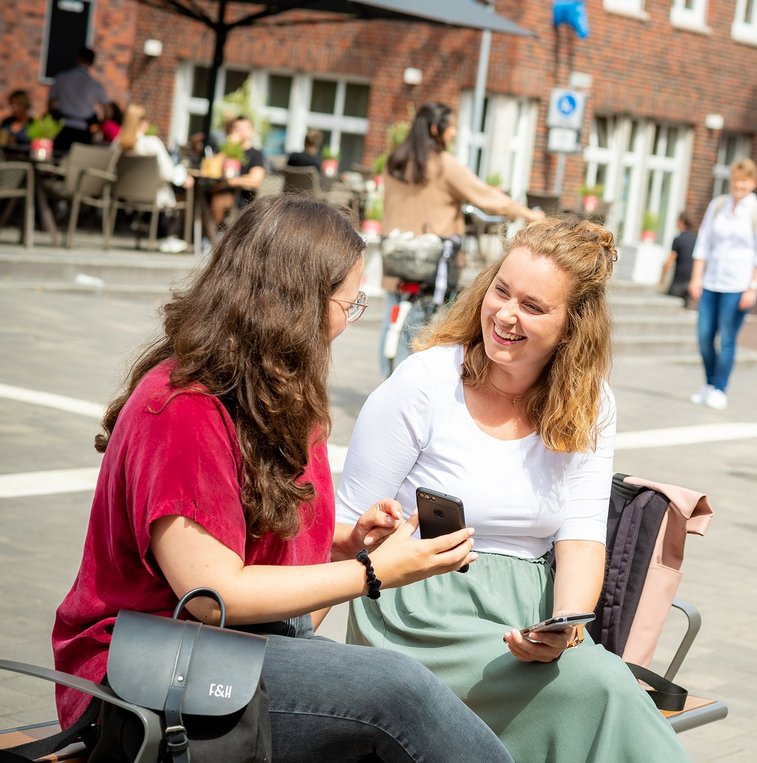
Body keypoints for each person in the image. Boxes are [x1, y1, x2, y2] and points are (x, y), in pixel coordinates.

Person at [52, 195, 513, 763]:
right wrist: (370, 573)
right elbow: (210, 594)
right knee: (399, 690)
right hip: (141, 674)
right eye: (350, 303)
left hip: (234, 648)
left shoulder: (280, 396)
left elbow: (257, 552)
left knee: (390, 701)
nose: (350, 319)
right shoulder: (180, 409)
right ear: (298, 305)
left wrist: (347, 541)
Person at [337, 217, 689, 762]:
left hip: (528, 617)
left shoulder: (591, 403)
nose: (505, 314)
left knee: (595, 684)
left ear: (572, 328)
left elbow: (581, 537)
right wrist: (288, 648)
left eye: (533, 306)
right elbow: (342, 526)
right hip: (418, 613)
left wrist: (566, 628)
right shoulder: (426, 380)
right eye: (501, 291)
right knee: (603, 690)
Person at [379, 101, 542, 376]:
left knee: (392, 322)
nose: (453, 133)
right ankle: (411, 386)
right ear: (435, 128)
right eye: (451, 126)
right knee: (424, 327)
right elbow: (488, 198)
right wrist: (529, 214)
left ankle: (387, 377)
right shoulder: (444, 165)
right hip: (431, 262)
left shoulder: (396, 161)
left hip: (397, 257)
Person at [688, 157, 757, 410]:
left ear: (753, 183)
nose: (740, 185)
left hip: (738, 285)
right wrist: (696, 277)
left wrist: (753, 286)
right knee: (704, 336)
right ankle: (708, 383)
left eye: (745, 181)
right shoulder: (718, 206)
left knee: (727, 337)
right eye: (736, 180)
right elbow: (703, 244)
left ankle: (720, 387)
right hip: (712, 281)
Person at [116, 103, 194, 253]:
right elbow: (168, 173)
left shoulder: (117, 143)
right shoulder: (151, 143)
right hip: (154, 196)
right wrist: (184, 178)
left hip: (125, 195)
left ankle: (162, 235)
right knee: (183, 190)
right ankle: (170, 237)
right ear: (143, 123)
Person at [208, 115, 266, 233]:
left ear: (251, 131)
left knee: (219, 199)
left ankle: (214, 235)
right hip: (217, 189)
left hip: (241, 196)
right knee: (198, 197)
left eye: (243, 128)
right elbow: (213, 169)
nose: (239, 132)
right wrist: (229, 148)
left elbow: (256, 180)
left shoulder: (255, 154)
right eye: (236, 128)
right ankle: (206, 235)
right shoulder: (226, 150)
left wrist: (232, 181)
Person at [47, 47, 108, 153]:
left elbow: (51, 103)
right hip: (83, 131)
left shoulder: (61, 78)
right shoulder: (95, 84)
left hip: (64, 128)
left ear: (78, 58)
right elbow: (106, 110)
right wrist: (99, 124)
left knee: (58, 160)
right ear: (92, 62)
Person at [660, 211, 696, 306]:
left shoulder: (678, 239)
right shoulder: (695, 239)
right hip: (691, 281)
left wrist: (662, 278)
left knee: (669, 307)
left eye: (677, 221)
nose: (676, 224)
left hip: (679, 281)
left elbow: (670, 260)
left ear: (682, 221)